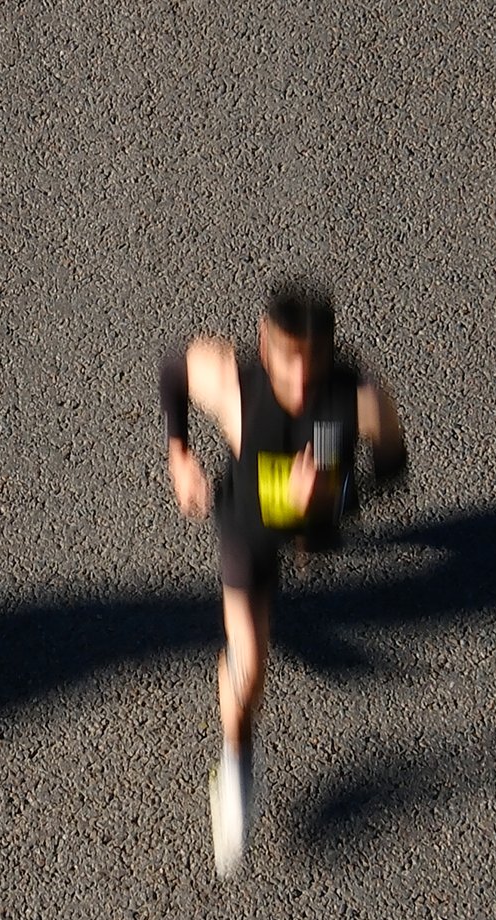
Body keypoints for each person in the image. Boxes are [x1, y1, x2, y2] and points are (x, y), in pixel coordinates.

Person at [159, 280, 407, 877]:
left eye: (314, 367)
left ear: (330, 353)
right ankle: (238, 759)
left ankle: (310, 533)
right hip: (248, 529)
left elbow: (394, 466)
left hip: (314, 523)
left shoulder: (359, 398)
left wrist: (337, 499)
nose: (300, 387)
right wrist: (179, 453)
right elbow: (173, 369)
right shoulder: (233, 385)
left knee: (316, 522)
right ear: (266, 349)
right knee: (251, 658)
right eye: (288, 367)